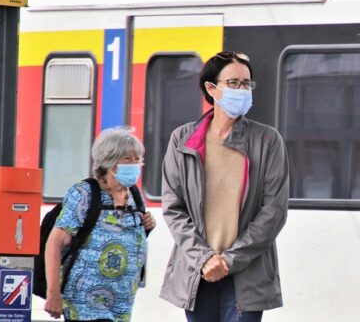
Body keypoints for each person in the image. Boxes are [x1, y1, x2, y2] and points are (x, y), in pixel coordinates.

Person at [160, 51, 290, 322]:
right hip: (198, 272)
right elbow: (174, 208)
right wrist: (205, 259)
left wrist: (230, 260)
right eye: (234, 83)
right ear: (211, 88)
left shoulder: (267, 140)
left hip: (247, 273)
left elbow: (274, 210)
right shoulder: (182, 140)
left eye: (247, 83)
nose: (242, 90)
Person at [44, 127, 157, 322]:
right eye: (127, 159)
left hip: (123, 302)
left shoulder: (134, 196)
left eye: (137, 159)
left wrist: (148, 225)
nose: (135, 165)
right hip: (85, 299)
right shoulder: (85, 193)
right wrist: (53, 293)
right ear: (109, 162)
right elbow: (54, 243)